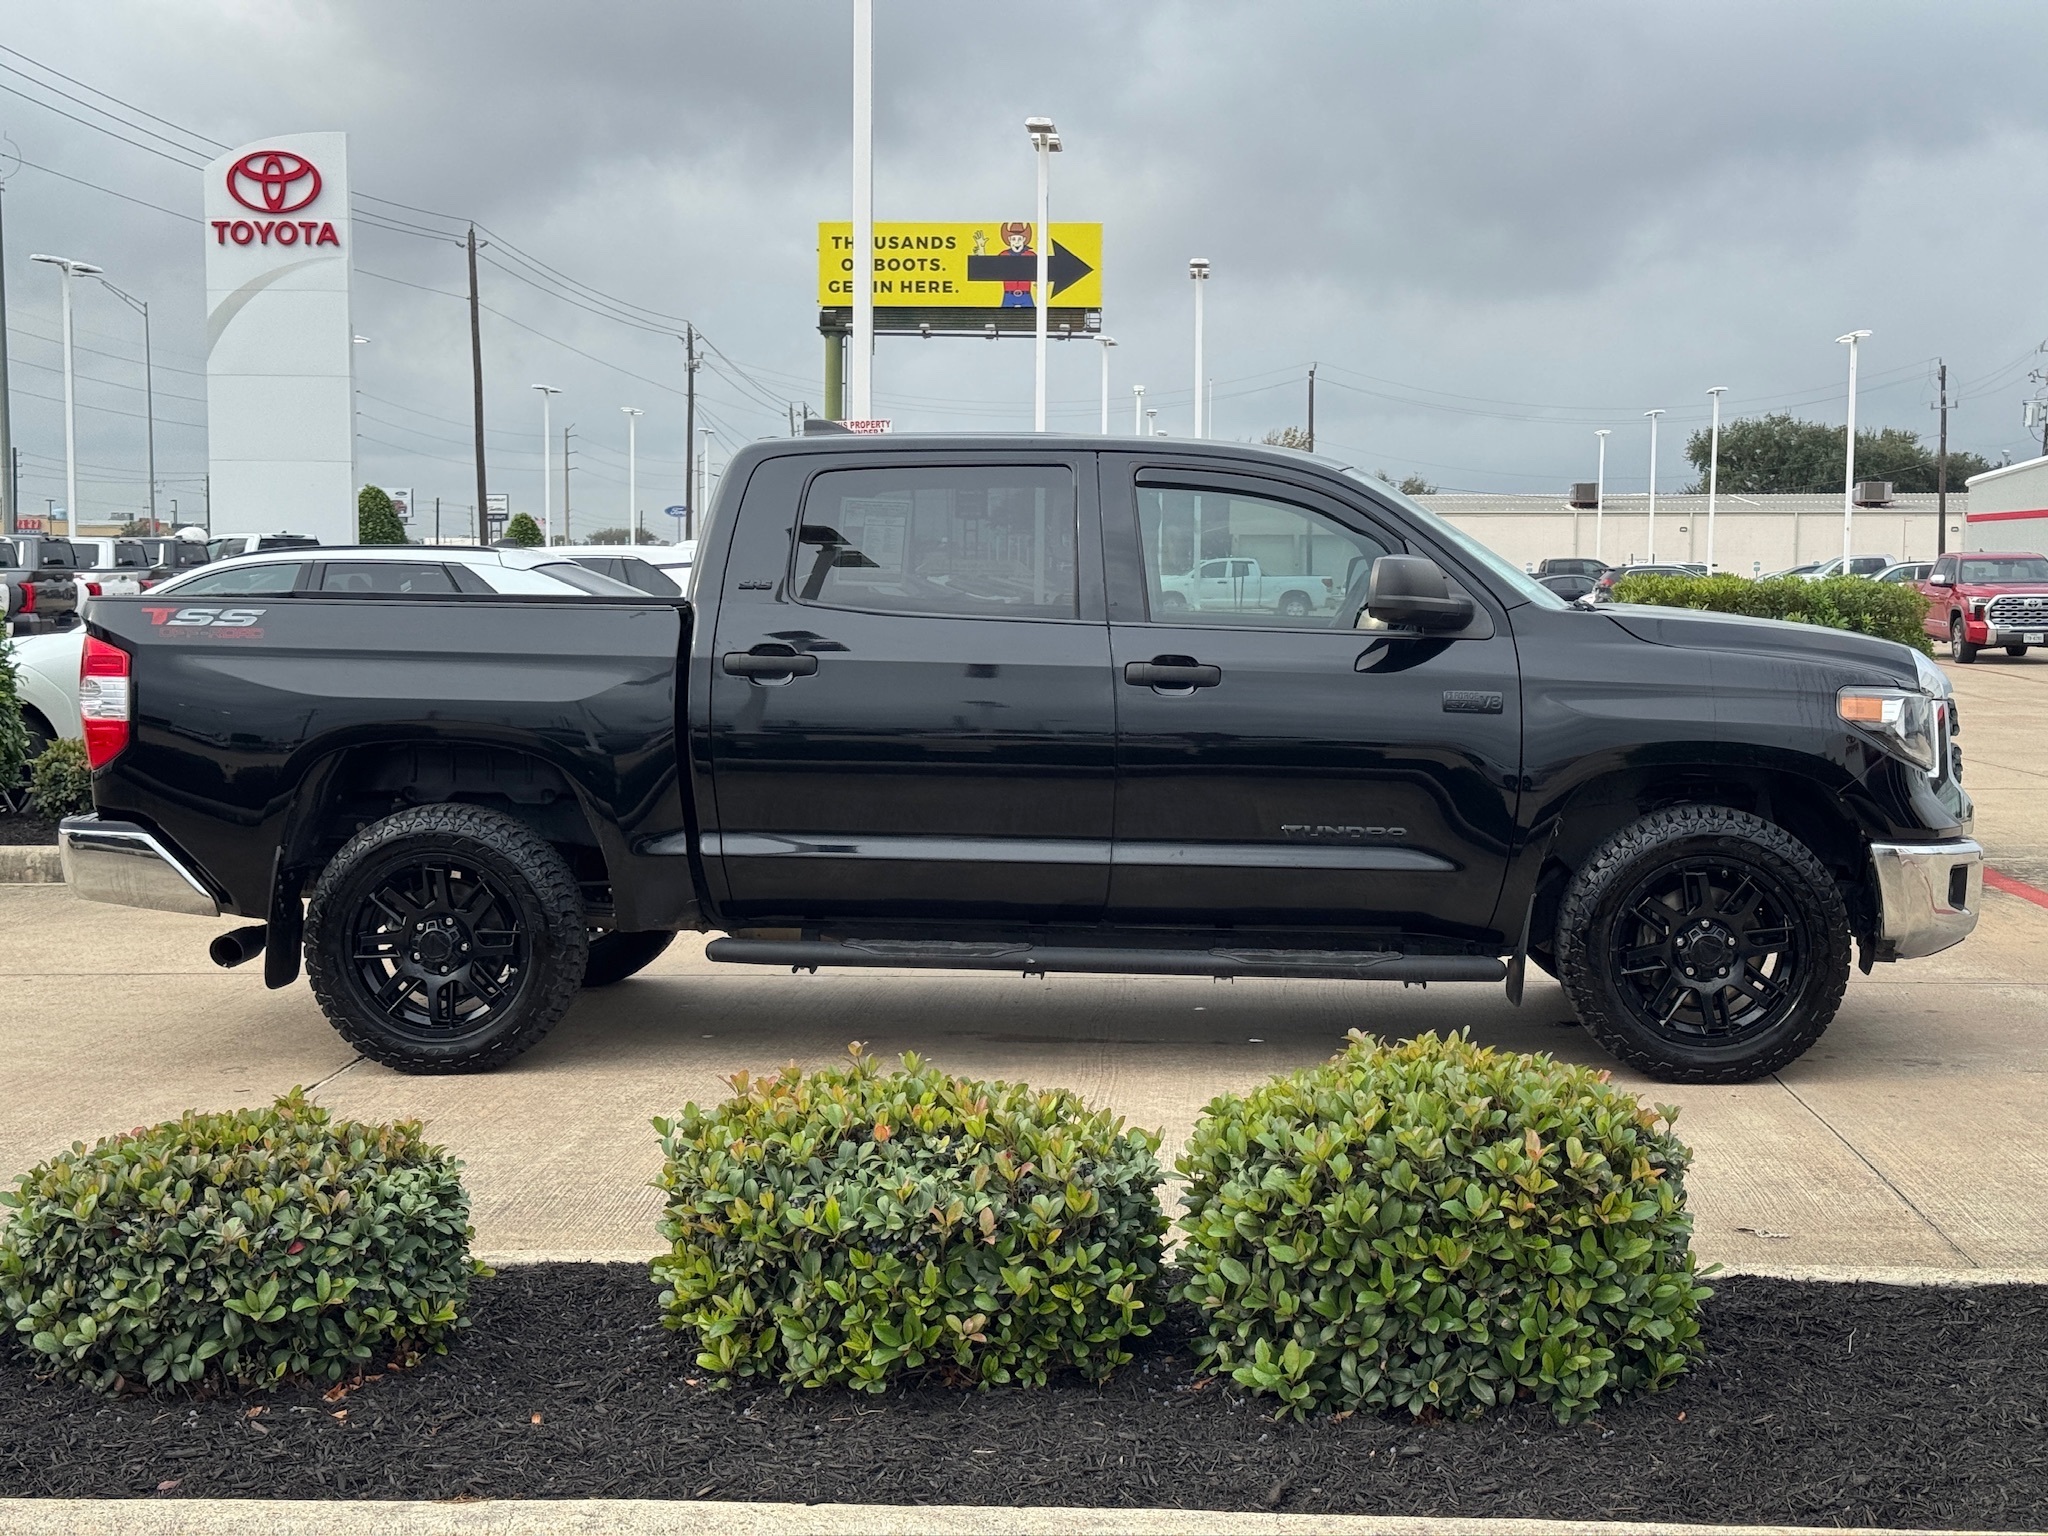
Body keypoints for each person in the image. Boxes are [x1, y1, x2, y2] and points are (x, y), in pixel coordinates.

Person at [999, 221, 1035, 308]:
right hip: (1008, 295)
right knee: (1002, 318)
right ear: (1009, 240)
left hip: (1026, 294)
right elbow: (990, 268)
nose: (1017, 242)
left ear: (1024, 240)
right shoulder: (1004, 255)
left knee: (1032, 318)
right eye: (1014, 239)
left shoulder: (1031, 255)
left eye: (1019, 239)